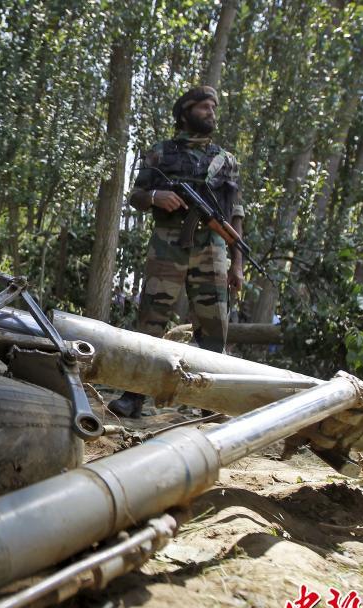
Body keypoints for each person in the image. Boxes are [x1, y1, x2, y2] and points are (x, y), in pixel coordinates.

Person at [108, 86, 245, 418]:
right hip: (167, 244)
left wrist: (237, 264)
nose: (211, 113)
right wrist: (157, 196)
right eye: (204, 107)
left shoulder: (226, 160)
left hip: (211, 248)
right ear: (185, 113)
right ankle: (134, 396)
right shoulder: (160, 153)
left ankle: (212, 404)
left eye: (214, 107)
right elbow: (136, 196)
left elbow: (236, 214)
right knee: (151, 322)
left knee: (214, 329)